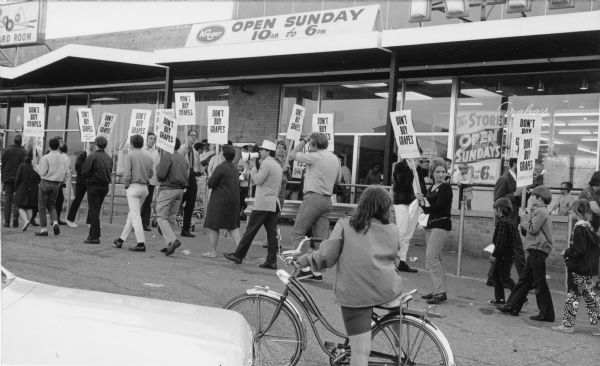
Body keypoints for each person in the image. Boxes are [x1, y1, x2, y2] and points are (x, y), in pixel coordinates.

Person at [296, 187, 403, 366]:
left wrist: (307, 259)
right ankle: (398, 345)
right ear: (385, 208)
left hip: (356, 293)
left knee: (360, 354)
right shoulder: (392, 229)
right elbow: (396, 261)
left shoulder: (346, 225)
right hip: (387, 290)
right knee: (361, 349)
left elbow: (327, 256)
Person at [497, 186, 555, 322]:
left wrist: (523, 217)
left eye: (533, 196)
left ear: (539, 198)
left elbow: (532, 228)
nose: (531, 198)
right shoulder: (539, 211)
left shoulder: (541, 211)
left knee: (539, 282)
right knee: (524, 280)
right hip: (536, 248)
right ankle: (512, 306)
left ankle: (546, 313)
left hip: (538, 248)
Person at [289, 132, 341, 282]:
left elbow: (293, 154)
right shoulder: (334, 158)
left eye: (311, 143)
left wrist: (304, 140)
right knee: (320, 238)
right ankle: (317, 272)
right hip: (327, 199)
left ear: (314, 144)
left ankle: (303, 268)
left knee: (298, 233)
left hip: (313, 197)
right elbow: (338, 179)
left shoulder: (315, 157)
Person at [224, 140, 282, 269]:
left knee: (250, 231)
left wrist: (253, 168)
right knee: (272, 234)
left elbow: (257, 180)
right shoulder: (277, 164)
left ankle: (238, 255)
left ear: (268, 152)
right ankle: (272, 260)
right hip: (273, 203)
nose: (260, 151)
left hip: (263, 203)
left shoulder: (266, 164)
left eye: (262, 150)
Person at [552, 199, 600, 335]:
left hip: (579, 268)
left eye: (572, 210)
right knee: (589, 298)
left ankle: (568, 325)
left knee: (573, 296)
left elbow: (579, 249)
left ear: (577, 211)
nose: (571, 213)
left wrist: (566, 252)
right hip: (587, 268)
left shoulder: (579, 228)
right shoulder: (589, 227)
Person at [417, 157, 452, 304]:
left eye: (443, 171)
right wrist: (422, 200)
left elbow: (439, 206)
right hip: (431, 224)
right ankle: (437, 289)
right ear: (432, 173)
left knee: (432, 257)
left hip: (441, 224)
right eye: (437, 171)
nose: (440, 174)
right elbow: (429, 207)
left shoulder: (445, 187)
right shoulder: (432, 187)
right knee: (433, 259)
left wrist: (424, 203)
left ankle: (440, 292)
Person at [488, 158, 525, 287]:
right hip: (507, 220)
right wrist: (514, 194)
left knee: (504, 249)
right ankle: (524, 281)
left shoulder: (520, 181)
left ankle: (493, 277)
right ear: (515, 164)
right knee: (517, 250)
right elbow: (497, 200)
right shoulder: (504, 179)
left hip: (514, 218)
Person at [113, 134, 154, 251]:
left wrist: (126, 186)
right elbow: (151, 174)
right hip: (145, 188)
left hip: (133, 187)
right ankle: (121, 240)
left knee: (135, 215)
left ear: (131, 143)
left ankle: (141, 243)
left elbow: (127, 174)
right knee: (132, 214)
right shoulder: (149, 156)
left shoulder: (129, 155)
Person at [203, 145, 241, 258]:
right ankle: (241, 251)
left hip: (219, 201)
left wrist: (209, 177)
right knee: (232, 227)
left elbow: (210, 184)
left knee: (214, 226)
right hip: (233, 201)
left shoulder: (221, 167)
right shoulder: (234, 168)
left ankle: (212, 251)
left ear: (223, 155)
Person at [155, 138, 189, 256]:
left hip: (168, 189)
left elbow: (161, 174)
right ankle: (169, 243)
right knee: (170, 218)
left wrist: (158, 174)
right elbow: (187, 175)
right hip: (180, 190)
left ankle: (173, 240)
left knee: (161, 217)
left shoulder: (167, 155)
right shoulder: (182, 158)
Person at [80, 136, 112, 244]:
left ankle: (94, 236)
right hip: (105, 186)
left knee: (94, 211)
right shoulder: (109, 158)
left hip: (94, 186)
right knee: (96, 210)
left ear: (97, 144)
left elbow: (84, 171)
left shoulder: (92, 156)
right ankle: (93, 235)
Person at [392, 158, 421, 273]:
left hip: (416, 202)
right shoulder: (400, 166)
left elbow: (421, 184)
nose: (418, 158)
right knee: (401, 232)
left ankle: (402, 261)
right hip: (403, 202)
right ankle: (393, 259)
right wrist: (412, 168)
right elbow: (402, 182)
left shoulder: (419, 167)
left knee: (408, 234)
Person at [35, 137, 68, 236]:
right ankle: (55, 222)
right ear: (58, 146)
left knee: (42, 206)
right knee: (52, 205)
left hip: (45, 182)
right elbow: (65, 172)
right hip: (56, 184)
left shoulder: (45, 158)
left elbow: (42, 172)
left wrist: (35, 166)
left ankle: (44, 229)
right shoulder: (63, 158)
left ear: (49, 146)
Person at [488, 197, 518, 305]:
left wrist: (494, 255)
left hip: (504, 255)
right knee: (497, 277)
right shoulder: (508, 221)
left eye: (495, 209)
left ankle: (521, 298)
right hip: (506, 254)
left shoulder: (503, 223)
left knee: (505, 278)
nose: (494, 211)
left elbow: (501, 241)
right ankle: (500, 299)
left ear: (500, 209)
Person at [66, 142, 95, 227]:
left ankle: (90, 221)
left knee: (92, 202)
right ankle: (70, 219)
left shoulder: (95, 155)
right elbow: (77, 167)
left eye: (94, 143)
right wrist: (86, 171)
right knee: (77, 200)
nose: (92, 145)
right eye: (91, 143)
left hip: (90, 181)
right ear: (88, 144)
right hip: (82, 181)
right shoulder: (83, 154)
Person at [2, 134, 26, 228]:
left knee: (8, 199)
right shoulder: (23, 152)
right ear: (20, 142)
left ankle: (7, 222)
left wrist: (3, 175)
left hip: (8, 178)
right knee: (17, 199)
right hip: (19, 179)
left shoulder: (7, 150)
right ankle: (15, 218)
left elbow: (3, 162)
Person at [178, 129, 199, 238]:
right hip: (183, 176)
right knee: (178, 202)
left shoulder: (195, 151)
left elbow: (196, 166)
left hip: (191, 176)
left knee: (190, 204)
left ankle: (186, 229)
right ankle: (164, 224)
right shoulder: (182, 148)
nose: (193, 137)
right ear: (187, 136)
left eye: (195, 136)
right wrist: (183, 153)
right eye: (191, 135)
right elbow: (178, 161)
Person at [14, 148, 40, 231]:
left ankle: (26, 220)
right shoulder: (36, 167)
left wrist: (16, 189)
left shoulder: (23, 165)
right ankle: (30, 220)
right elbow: (40, 178)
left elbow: (18, 178)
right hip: (33, 190)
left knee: (20, 206)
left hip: (22, 189)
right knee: (30, 206)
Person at [141, 132, 160, 231]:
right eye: (150, 138)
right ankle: (137, 223)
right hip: (143, 180)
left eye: (154, 139)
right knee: (141, 203)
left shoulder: (156, 153)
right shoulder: (142, 151)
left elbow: (157, 166)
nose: (152, 140)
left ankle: (145, 223)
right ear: (146, 139)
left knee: (148, 203)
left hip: (152, 181)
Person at [55, 141, 71, 225]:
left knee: (54, 200)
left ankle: (54, 219)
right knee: (59, 200)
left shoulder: (57, 156)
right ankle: (56, 219)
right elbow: (66, 171)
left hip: (54, 180)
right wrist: (64, 181)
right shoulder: (66, 158)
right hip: (61, 182)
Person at [275, 140, 290, 207]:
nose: (281, 149)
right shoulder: (272, 160)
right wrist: (282, 170)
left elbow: (289, 177)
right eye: (279, 147)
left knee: (280, 208)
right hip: (274, 188)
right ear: (276, 149)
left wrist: (288, 170)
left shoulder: (286, 161)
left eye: (282, 148)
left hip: (283, 188)